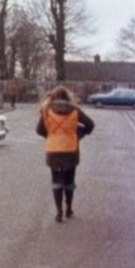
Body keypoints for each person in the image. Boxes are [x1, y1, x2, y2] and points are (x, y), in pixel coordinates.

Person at [36, 86, 94, 223]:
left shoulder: (46, 111)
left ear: (53, 96)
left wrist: (52, 136)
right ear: (67, 97)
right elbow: (90, 125)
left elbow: (39, 130)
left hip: (53, 150)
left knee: (56, 180)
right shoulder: (75, 110)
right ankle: (69, 208)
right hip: (71, 149)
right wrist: (78, 134)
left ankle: (58, 212)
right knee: (69, 180)